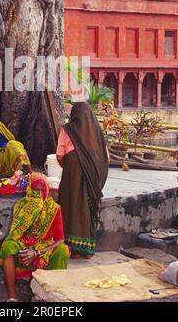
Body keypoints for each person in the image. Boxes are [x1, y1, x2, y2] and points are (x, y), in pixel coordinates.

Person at [0, 172, 69, 302]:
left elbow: (60, 239)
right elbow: (15, 234)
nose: (39, 194)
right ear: (30, 190)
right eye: (36, 190)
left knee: (63, 250)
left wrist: (36, 252)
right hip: (24, 249)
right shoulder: (21, 205)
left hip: (43, 250)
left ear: (47, 190)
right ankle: (12, 297)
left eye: (43, 190)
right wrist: (27, 251)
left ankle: (52, 293)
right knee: (8, 245)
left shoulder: (54, 208)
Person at [56, 102, 109, 259]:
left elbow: (59, 155)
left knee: (69, 205)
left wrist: (70, 168)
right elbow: (106, 157)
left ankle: (72, 249)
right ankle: (87, 250)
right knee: (88, 207)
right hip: (94, 176)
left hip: (72, 174)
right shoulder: (97, 131)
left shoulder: (67, 129)